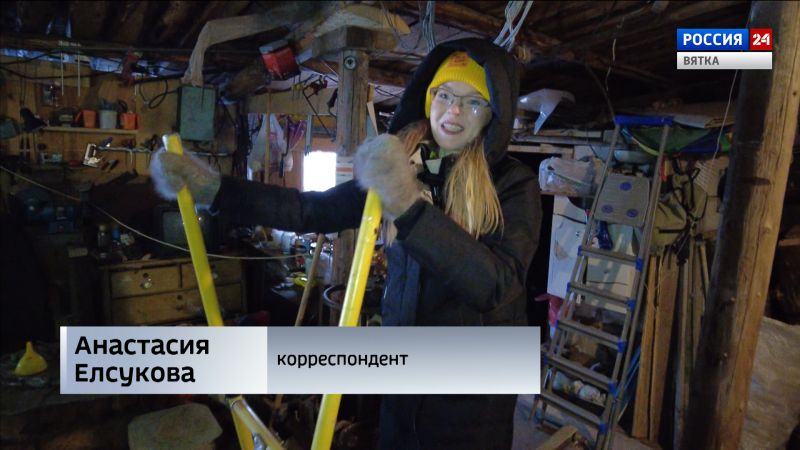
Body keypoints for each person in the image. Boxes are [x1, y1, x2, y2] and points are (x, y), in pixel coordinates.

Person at [151, 38, 542, 450]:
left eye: (473, 102)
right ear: (429, 98)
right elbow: (311, 210)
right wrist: (215, 190)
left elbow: (496, 285)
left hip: (472, 401)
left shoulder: (514, 184)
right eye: (444, 95)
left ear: (494, 114)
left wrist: (408, 207)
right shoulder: (405, 165)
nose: (454, 111)